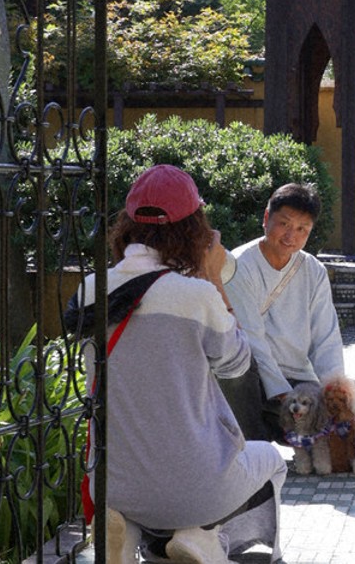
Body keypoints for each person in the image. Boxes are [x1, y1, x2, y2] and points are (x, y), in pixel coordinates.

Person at [71, 164, 286, 563]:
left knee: (139, 487)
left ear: (128, 225)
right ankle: (202, 534)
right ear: (194, 228)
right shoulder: (196, 295)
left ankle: (125, 529)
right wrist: (213, 277)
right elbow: (237, 366)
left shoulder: (89, 290)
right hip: (196, 486)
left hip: (111, 481)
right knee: (271, 460)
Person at [220, 183, 344, 441]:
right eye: (284, 224)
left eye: (302, 229)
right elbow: (253, 339)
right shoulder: (239, 265)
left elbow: (326, 337)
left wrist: (334, 392)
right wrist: (282, 395)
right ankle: (256, 443)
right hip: (259, 380)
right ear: (266, 218)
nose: (291, 236)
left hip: (300, 378)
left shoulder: (314, 270)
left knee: (338, 435)